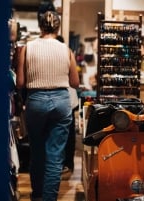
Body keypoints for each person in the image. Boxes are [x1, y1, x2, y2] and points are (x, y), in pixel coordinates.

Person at [16, 11, 79, 201]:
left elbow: (20, 82)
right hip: (61, 101)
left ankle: (37, 197)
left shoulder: (28, 47)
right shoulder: (66, 49)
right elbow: (75, 83)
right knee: (55, 156)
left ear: (40, 26)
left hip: (35, 101)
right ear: (58, 27)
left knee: (37, 152)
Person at [56, 34, 79, 174]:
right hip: (69, 99)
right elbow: (76, 82)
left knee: (63, 134)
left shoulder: (62, 53)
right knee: (68, 134)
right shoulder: (68, 53)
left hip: (64, 99)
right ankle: (68, 163)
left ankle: (65, 163)